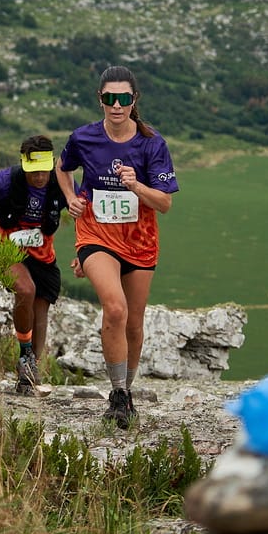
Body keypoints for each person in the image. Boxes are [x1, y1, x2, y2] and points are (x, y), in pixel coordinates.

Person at [55, 65, 179, 429]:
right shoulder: (83, 138)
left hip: (139, 241)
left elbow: (165, 204)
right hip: (95, 236)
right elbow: (62, 168)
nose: (116, 105)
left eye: (123, 98)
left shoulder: (151, 144)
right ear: (100, 99)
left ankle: (127, 390)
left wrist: (137, 186)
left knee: (135, 324)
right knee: (114, 308)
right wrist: (69, 198)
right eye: (109, 98)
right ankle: (118, 395)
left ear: (134, 100)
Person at [0, 135, 67, 396]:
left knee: (41, 305)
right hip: (5, 247)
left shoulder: (61, 183)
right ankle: (25, 353)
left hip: (42, 252)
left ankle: (30, 373)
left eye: (43, 171)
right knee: (25, 290)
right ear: (24, 165)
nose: (39, 177)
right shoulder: (5, 181)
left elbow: (85, 210)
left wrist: (85, 252)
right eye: (33, 171)